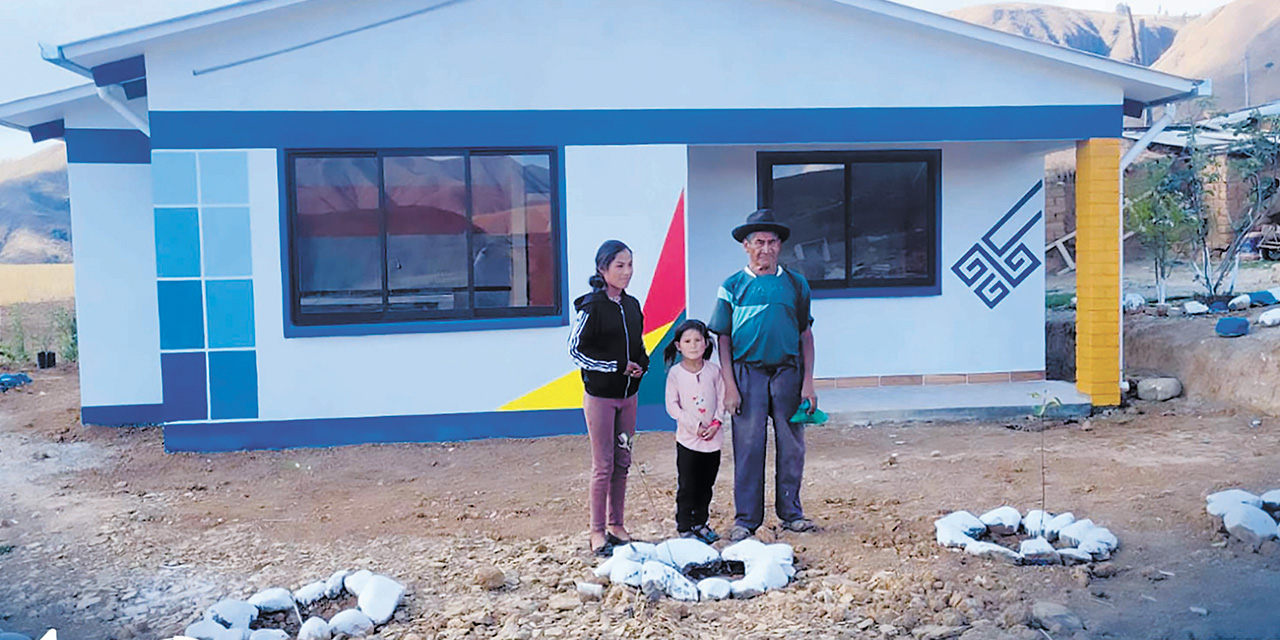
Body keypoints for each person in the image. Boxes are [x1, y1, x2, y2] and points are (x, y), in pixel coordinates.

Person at [708, 209, 818, 542]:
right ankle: (746, 519)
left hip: (788, 372)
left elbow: (805, 334)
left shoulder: (795, 284)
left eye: (771, 242)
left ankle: (791, 513)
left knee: (791, 446)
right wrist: (730, 385)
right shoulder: (732, 286)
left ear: (780, 246)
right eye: (758, 242)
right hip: (746, 374)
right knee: (749, 446)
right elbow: (722, 338)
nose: (765, 249)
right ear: (746, 246)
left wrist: (808, 383)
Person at [568, 240, 649, 555]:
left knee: (622, 461)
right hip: (601, 397)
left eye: (630, 265)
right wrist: (616, 367)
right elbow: (576, 350)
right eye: (620, 265)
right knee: (603, 464)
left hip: (629, 397)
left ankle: (617, 524)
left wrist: (642, 364)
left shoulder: (632, 305)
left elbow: (637, 344)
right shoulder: (591, 307)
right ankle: (597, 531)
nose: (627, 272)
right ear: (602, 269)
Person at [662, 319, 727, 545]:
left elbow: (722, 399)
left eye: (698, 340)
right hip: (688, 440)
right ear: (679, 346)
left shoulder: (714, 371)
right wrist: (695, 426)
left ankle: (701, 522)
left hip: (713, 439)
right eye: (687, 341)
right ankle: (684, 525)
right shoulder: (675, 374)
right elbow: (673, 406)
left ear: (707, 344)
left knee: (706, 484)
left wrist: (716, 423)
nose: (693, 345)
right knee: (687, 483)